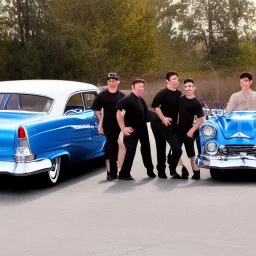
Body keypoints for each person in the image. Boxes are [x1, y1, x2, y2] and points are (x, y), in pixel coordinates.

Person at [116, 78, 156, 180]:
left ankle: (150, 171)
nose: (141, 89)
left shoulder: (140, 99)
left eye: (142, 87)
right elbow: (118, 113)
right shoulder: (127, 99)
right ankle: (124, 174)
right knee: (130, 152)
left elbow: (146, 114)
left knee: (146, 150)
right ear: (132, 87)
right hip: (131, 131)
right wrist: (123, 128)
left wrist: (160, 118)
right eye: (139, 87)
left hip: (142, 130)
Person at [92, 73, 125, 181]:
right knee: (112, 147)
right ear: (107, 82)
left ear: (117, 81)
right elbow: (96, 110)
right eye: (110, 81)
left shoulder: (122, 96)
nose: (112, 82)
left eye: (114, 80)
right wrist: (101, 122)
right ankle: (112, 174)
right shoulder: (102, 96)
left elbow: (125, 110)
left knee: (119, 146)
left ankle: (119, 171)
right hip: (108, 124)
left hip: (119, 124)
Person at [150, 71, 182, 179]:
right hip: (159, 123)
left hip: (171, 124)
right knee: (161, 146)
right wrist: (163, 118)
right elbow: (155, 106)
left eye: (177, 79)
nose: (176, 81)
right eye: (173, 79)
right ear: (167, 81)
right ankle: (161, 171)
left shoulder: (179, 94)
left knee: (177, 149)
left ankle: (172, 169)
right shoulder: (162, 93)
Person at [177, 78, 205, 180]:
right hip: (179, 130)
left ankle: (196, 173)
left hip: (191, 131)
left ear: (194, 88)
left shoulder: (197, 103)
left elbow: (201, 120)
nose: (187, 88)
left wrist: (191, 131)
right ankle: (183, 170)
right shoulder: (180, 99)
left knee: (191, 153)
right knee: (174, 151)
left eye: (190, 86)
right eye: (185, 86)